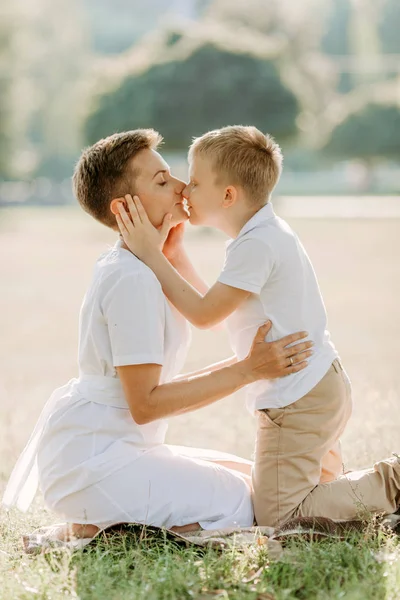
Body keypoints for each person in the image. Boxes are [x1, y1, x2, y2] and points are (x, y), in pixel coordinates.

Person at [2, 129, 311, 539]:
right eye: (163, 182)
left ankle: (100, 522)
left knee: (254, 479)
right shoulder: (131, 279)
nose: (183, 187)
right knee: (243, 504)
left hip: (119, 447)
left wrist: (172, 250)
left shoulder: (143, 265)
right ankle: (91, 530)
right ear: (124, 207)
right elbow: (145, 404)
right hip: (96, 461)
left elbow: (208, 314)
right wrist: (248, 370)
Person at [115, 125, 399, 527]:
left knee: (280, 517)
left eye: (194, 182)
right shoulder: (263, 234)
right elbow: (219, 313)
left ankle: (392, 482)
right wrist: (175, 257)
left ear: (228, 195)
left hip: (298, 399)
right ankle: (367, 505)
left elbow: (204, 314)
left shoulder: (257, 245)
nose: (184, 191)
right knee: (317, 507)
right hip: (318, 386)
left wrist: (151, 254)